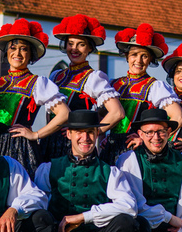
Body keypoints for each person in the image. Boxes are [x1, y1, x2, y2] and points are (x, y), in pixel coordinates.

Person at [0, 19, 70, 176]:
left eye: (23, 49)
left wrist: (36, 134)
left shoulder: (38, 83)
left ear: (30, 55)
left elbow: (64, 113)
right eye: (13, 48)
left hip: (20, 149)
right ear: (6, 52)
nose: (17, 53)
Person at [40, 15, 125, 162]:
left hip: (75, 146)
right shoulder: (56, 75)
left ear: (90, 48)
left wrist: (94, 132)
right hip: (49, 142)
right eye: (70, 43)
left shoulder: (94, 78)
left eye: (81, 44)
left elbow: (117, 112)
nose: (74, 49)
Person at [107, 23, 182, 157]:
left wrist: (149, 139)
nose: (139, 60)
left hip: (138, 150)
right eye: (134, 54)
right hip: (110, 148)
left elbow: (179, 117)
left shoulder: (155, 86)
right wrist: (102, 136)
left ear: (150, 60)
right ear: (127, 56)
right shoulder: (114, 84)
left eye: (144, 56)